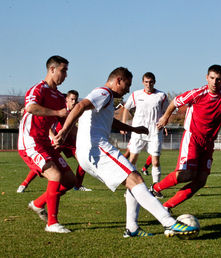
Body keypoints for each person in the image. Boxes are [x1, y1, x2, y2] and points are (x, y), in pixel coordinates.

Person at [53, 67, 198, 238]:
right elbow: (80, 106)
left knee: (133, 181)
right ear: (118, 80)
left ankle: (132, 228)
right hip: (97, 149)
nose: (128, 90)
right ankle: (169, 222)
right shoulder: (104, 92)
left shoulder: (103, 98)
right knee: (135, 179)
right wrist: (63, 132)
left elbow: (110, 121)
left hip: (89, 153)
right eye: (127, 85)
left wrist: (134, 128)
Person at [149, 64, 221, 210]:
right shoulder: (198, 93)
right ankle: (155, 188)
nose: (214, 82)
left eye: (218, 79)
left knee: (201, 180)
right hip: (192, 138)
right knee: (186, 175)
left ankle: (165, 207)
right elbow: (175, 101)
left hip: (209, 142)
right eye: (212, 78)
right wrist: (166, 117)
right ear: (207, 78)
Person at [18, 55, 77, 233]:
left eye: (66, 71)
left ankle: (37, 204)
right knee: (55, 175)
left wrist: (63, 133)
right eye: (63, 70)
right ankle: (52, 223)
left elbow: (65, 118)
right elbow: (30, 108)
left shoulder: (60, 96)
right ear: (52, 69)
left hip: (46, 142)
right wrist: (57, 112)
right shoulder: (39, 89)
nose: (65, 75)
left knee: (69, 181)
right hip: (30, 141)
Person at [16, 90, 92, 193]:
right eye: (72, 99)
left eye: (76, 99)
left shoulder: (76, 111)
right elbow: (48, 126)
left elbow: (74, 128)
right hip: (57, 140)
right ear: (67, 99)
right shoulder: (60, 110)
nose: (74, 102)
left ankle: (77, 185)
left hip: (69, 141)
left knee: (83, 162)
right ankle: (24, 184)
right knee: (44, 163)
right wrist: (52, 137)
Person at [122, 72, 169, 186]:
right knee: (132, 160)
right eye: (146, 82)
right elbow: (126, 108)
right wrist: (123, 124)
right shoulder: (136, 94)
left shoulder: (161, 95)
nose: (148, 84)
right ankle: (132, 187)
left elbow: (166, 112)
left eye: (151, 82)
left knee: (155, 161)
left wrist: (165, 123)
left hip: (154, 132)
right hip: (138, 131)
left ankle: (155, 187)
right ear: (143, 82)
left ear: (154, 82)